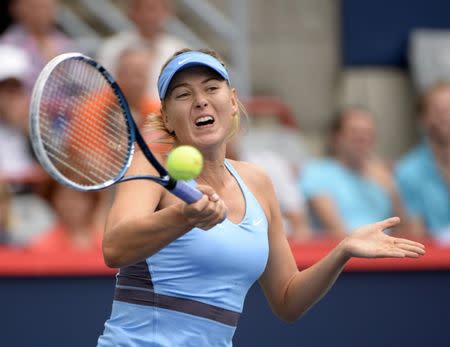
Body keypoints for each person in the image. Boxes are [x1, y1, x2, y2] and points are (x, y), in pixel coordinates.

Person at [96, 49, 425, 347]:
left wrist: (343, 250)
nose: (200, 101)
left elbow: (287, 300)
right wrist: (183, 217)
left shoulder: (258, 182)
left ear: (233, 99)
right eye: (183, 94)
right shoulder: (152, 166)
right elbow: (114, 248)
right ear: (167, 117)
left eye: (212, 88)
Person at [298, 107, 412, 239]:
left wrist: (392, 191)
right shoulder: (316, 173)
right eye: (355, 132)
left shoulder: (384, 177)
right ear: (336, 137)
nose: (362, 138)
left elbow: (407, 232)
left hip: (388, 252)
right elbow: (337, 232)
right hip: (346, 254)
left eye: (368, 133)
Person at [96, 0, 187, 99]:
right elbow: (100, 88)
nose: (148, 15)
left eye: (153, 9)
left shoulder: (180, 53)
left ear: (168, 12)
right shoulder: (112, 48)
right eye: (140, 9)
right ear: (130, 12)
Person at [395, 81, 450, 242]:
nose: (446, 116)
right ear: (423, 118)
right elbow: (415, 234)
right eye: (439, 110)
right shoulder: (408, 171)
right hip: (435, 260)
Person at [0, 0, 77, 93]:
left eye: (48, 7)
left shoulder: (66, 43)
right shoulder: (8, 45)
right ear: (17, 8)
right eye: (35, 7)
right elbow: (11, 96)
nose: (42, 13)